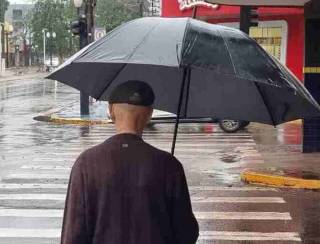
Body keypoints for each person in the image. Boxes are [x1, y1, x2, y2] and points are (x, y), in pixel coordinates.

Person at [61, 80, 199, 244]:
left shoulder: (86, 164)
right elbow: (187, 233)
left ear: (111, 110)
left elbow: (73, 234)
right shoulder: (169, 165)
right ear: (149, 114)